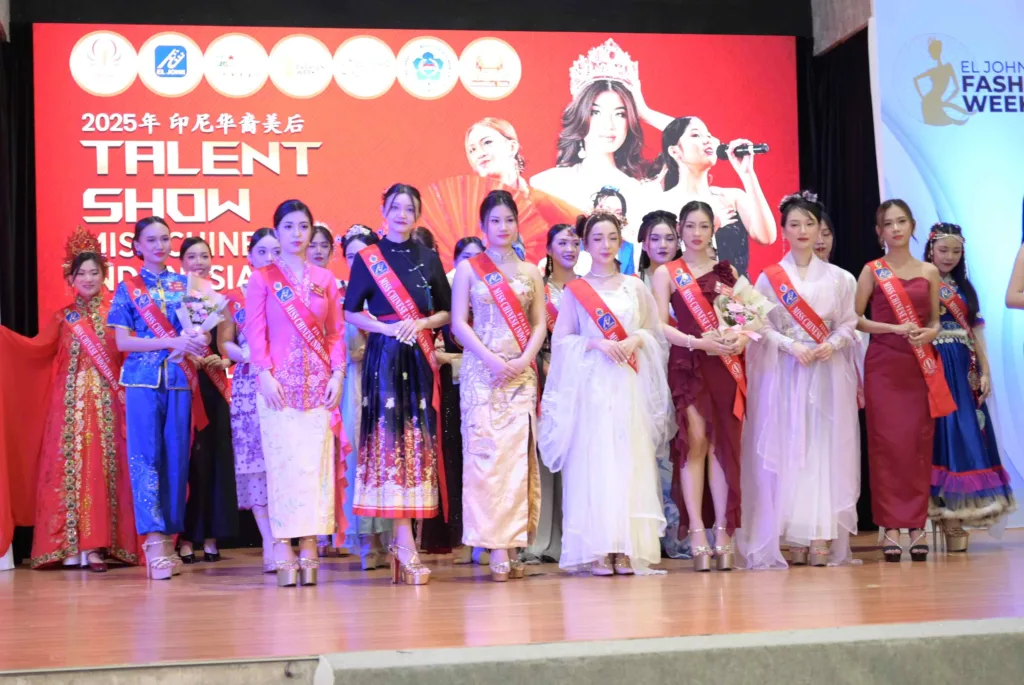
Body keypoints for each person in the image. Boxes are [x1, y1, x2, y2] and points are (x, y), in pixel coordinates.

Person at [540, 211, 672, 576]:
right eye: (597, 238)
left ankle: (626, 546)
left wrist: (635, 339)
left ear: (620, 241)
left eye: (612, 238)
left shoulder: (635, 287)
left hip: (628, 385)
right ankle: (599, 546)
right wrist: (596, 343)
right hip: (592, 387)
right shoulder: (576, 290)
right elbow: (562, 341)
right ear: (585, 244)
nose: (605, 245)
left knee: (629, 462)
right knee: (595, 463)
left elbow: (653, 332)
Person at [0, 228, 139, 572]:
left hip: (110, 404)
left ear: (104, 276)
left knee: (104, 471)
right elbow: (35, 349)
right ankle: (71, 546)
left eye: (94, 272)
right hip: (68, 409)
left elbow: (132, 357)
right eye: (81, 273)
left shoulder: (117, 315)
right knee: (71, 470)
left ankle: (99, 546)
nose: (88, 279)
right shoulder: (63, 318)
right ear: (71, 278)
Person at [738, 193, 861, 569]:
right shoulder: (769, 277)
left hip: (826, 372)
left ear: (820, 229)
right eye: (795, 224)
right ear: (784, 231)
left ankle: (820, 532)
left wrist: (832, 343)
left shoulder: (841, 278)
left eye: (810, 223)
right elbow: (758, 326)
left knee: (823, 447)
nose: (803, 230)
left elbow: (849, 323)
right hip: (786, 372)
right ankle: (792, 532)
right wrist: (790, 345)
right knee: (790, 443)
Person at [344, 184, 452, 586]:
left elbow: (446, 312)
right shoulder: (369, 258)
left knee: (417, 444)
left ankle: (405, 541)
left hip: (418, 356)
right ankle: (403, 542)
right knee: (391, 443)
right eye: (395, 207)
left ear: (417, 214)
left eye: (409, 208)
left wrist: (419, 322)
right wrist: (386, 328)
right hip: (385, 358)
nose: (402, 214)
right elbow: (351, 312)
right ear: (384, 211)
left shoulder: (428, 257)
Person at [247, 199, 346, 587]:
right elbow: (255, 331)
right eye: (288, 226)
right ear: (277, 231)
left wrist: (338, 374)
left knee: (314, 468)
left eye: (303, 226)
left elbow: (335, 332)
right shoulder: (263, 279)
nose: (296, 234)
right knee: (284, 467)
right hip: (278, 389)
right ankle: (283, 543)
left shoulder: (325, 279)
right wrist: (264, 373)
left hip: (319, 388)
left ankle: (309, 542)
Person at [107, 216, 209, 580]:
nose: (159, 245)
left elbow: (201, 334)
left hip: (179, 380)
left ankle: (168, 540)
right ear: (137, 245)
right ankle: (152, 543)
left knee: (176, 459)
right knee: (145, 457)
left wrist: (198, 340)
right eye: (150, 240)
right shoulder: (127, 288)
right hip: (142, 382)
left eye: (165, 239)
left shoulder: (187, 285)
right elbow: (123, 341)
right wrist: (171, 341)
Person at [451, 190, 546, 581]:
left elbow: (539, 323)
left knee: (515, 461)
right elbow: (459, 323)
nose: (503, 227)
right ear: (482, 226)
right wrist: (490, 359)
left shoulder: (530, 272)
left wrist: (524, 359)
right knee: (484, 459)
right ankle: (492, 545)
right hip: (482, 374)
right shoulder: (469, 269)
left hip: (520, 375)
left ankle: (511, 544)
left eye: (509, 219)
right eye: (495, 220)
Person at [855, 199, 955, 563]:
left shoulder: (929, 271)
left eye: (901, 222)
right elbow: (855, 319)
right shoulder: (872, 270)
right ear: (878, 231)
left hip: (918, 366)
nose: (895, 229)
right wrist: (893, 328)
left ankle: (916, 524)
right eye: (888, 223)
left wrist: (930, 333)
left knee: (917, 444)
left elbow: (935, 321)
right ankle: (890, 527)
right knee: (886, 445)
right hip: (883, 365)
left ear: (912, 225)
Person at [651, 201, 745, 572]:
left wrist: (739, 337)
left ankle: (722, 529)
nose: (696, 233)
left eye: (703, 226)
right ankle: (696, 532)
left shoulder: (727, 271)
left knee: (721, 443)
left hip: (723, 364)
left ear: (713, 230)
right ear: (680, 229)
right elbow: (660, 324)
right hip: (689, 363)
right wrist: (696, 342)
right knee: (695, 442)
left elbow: (742, 318)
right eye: (689, 226)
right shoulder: (667, 273)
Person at [925, 223, 1015, 549]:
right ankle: (944, 518)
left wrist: (986, 372)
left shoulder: (965, 289)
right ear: (930, 249)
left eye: (955, 251)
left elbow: (976, 333)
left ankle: (958, 516)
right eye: (943, 250)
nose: (949, 256)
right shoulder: (920, 282)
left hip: (963, 370)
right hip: (932, 366)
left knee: (965, 436)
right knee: (940, 438)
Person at [530, 38, 671, 231]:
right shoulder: (547, 184)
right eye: (596, 112)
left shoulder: (642, 191)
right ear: (580, 116)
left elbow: (700, 143)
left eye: (620, 114)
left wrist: (645, 112)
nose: (609, 125)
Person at [218, 228, 280, 573]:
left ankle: (289, 537)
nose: (269, 258)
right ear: (249, 257)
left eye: (276, 251)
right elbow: (224, 342)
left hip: (286, 384)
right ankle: (269, 540)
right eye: (262, 251)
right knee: (256, 463)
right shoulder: (234, 298)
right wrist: (244, 354)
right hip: (248, 386)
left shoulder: (293, 295)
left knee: (284, 460)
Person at [422, 236, 485, 565]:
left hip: (486, 391)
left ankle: (485, 537)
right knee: (453, 461)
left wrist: (456, 359)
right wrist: (452, 360)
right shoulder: (443, 301)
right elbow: (431, 351)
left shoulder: (492, 300)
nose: (471, 263)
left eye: (478, 257)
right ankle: (459, 535)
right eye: (465, 257)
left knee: (483, 461)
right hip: (450, 394)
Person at [649, 117, 776, 278]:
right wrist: (714, 225)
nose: (707, 140)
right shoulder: (663, 204)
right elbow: (664, 258)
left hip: (738, 292)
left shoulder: (732, 197)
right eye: (696, 135)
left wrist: (747, 173)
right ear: (675, 151)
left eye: (709, 135)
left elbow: (766, 237)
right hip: (689, 291)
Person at [176, 237, 238, 563]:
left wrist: (223, 361)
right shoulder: (174, 298)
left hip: (213, 385)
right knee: (190, 461)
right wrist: (186, 355)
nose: (198, 262)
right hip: (184, 384)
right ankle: (187, 537)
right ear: (181, 262)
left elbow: (227, 346)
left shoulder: (220, 301)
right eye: (192, 256)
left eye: (204, 256)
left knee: (214, 458)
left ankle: (212, 536)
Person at [338, 225, 394, 570]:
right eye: (350, 256)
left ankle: (391, 538)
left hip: (385, 381)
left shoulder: (389, 295)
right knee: (357, 458)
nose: (357, 261)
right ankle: (365, 540)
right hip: (352, 385)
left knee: (386, 456)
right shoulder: (338, 296)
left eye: (364, 255)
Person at [523, 224, 579, 565]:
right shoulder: (538, 289)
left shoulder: (588, 288)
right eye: (562, 242)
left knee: (577, 459)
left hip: (582, 380)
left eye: (575, 242)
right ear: (548, 248)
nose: (570, 248)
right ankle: (541, 540)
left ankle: (573, 538)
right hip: (546, 378)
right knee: (546, 456)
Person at [592, 187, 637, 274]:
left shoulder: (627, 246)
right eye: (606, 210)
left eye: (618, 213)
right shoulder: (578, 241)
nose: (612, 216)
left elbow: (630, 278)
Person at [636, 210, 682, 288]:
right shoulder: (634, 282)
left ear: (678, 244)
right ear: (644, 245)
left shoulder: (689, 279)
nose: (663, 245)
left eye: (670, 239)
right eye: (655, 239)